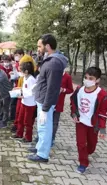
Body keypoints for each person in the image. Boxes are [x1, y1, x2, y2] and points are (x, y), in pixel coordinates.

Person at [27, 33, 68, 163]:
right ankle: (40, 147)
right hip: (42, 99)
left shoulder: (53, 63)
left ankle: (43, 154)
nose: (38, 48)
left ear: (48, 46)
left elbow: (52, 87)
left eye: (40, 46)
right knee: (42, 127)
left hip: (45, 101)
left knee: (45, 127)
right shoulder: (49, 60)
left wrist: (45, 108)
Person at [70, 67, 107, 174]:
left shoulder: (102, 95)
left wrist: (102, 130)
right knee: (81, 143)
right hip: (81, 122)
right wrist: (74, 114)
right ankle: (83, 163)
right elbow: (73, 102)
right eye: (86, 77)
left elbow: (103, 113)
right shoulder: (79, 90)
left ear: (97, 80)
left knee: (91, 145)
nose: (87, 80)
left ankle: (87, 153)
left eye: (90, 78)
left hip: (93, 124)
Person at [10, 62, 37, 143]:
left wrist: (23, 95)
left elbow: (32, 92)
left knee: (27, 122)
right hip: (23, 102)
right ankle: (19, 134)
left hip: (30, 104)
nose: (20, 72)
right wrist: (18, 89)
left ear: (26, 71)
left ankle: (28, 138)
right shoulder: (25, 77)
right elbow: (24, 88)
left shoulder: (32, 79)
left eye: (21, 70)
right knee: (20, 119)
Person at [51, 70, 74, 145]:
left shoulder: (67, 77)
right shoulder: (53, 73)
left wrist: (63, 89)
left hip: (59, 103)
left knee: (54, 123)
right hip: (49, 101)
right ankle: (41, 137)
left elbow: (70, 90)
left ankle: (52, 138)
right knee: (45, 122)